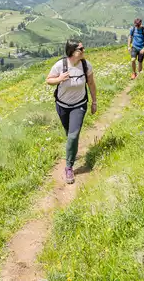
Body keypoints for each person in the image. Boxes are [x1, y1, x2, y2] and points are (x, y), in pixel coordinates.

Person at [46, 40, 97, 184]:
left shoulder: (86, 65)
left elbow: (91, 84)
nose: (84, 50)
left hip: (79, 105)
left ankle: (69, 167)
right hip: (62, 105)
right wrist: (59, 79)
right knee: (69, 133)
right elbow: (48, 80)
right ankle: (72, 151)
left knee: (73, 135)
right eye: (81, 48)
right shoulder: (60, 65)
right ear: (72, 51)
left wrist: (94, 102)